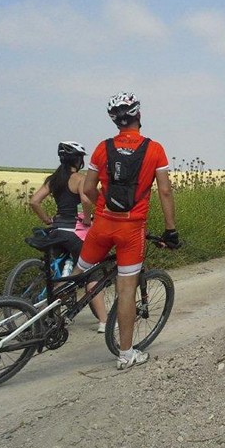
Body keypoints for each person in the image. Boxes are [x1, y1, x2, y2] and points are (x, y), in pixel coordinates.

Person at [76, 92, 179, 370]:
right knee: (126, 290)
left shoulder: (102, 147)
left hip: (102, 225)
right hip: (131, 230)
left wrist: (103, 207)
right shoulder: (154, 149)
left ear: (114, 121)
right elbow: (165, 192)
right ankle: (125, 354)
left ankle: (48, 317)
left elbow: (88, 189)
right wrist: (170, 230)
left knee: (78, 273)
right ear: (139, 115)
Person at [30, 141, 109, 332]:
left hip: (56, 231)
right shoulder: (80, 179)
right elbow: (85, 200)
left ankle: (52, 314)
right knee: (92, 272)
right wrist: (88, 219)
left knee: (62, 275)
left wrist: (47, 219)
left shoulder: (53, 179)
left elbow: (34, 201)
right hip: (75, 232)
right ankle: (104, 322)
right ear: (78, 160)